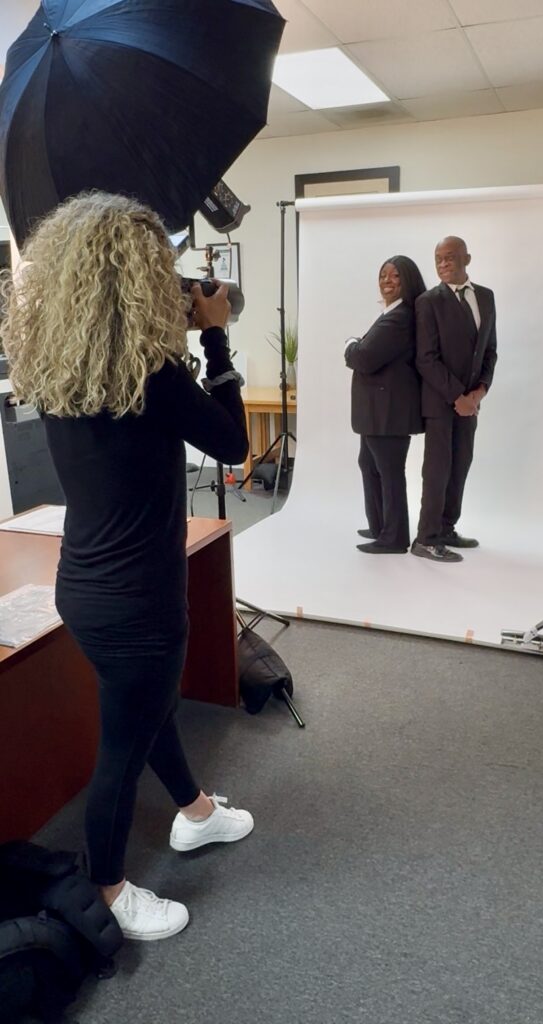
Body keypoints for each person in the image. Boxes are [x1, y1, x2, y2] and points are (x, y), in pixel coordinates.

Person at [1, 192, 253, 942]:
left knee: (146, 706)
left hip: (87, 584)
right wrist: (214, 339)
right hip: (139, 597)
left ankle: (195, 813)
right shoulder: (152, 374)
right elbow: (235, 447)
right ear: (133, 277)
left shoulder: (60, 364)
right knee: (121, 745)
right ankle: (106, 890)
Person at [412, 236, 497, 563]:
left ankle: (447, 528)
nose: (443, 263)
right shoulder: (428, 301)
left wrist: (478, 393)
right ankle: (426, 538)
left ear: (467, 259)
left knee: (460, 466)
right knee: (437, 470)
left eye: (450, 258)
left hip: (470, 404)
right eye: (438, 259)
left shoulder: (486, 298)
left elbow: (490, 351)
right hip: (439, 402)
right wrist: (457, 396)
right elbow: (426, 358)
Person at [345, 256, 426, 554]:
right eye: (383, 275)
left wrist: (350, 345)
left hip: (388, 413)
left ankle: (394, 537)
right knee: (369, 464)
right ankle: (380, 527)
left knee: (389, 472)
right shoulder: (392, 314)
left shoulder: (400, 317)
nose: (387, 281)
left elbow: (364, 357)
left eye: (395, 276)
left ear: (407, 281)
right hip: (378, 412)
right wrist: (358, 346)